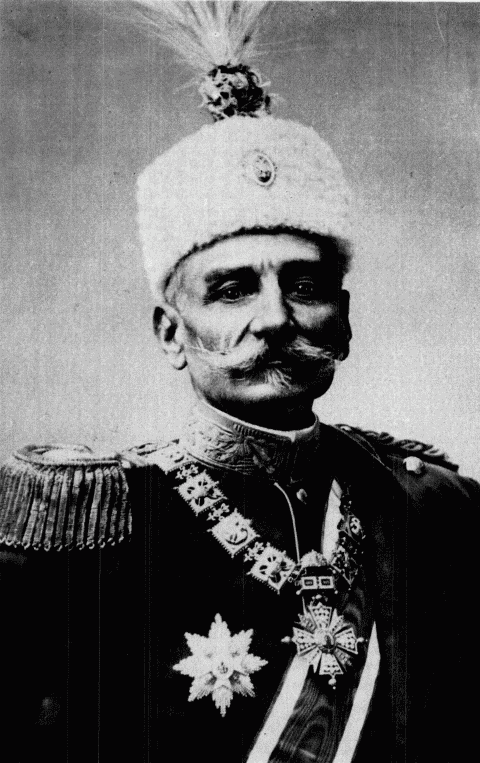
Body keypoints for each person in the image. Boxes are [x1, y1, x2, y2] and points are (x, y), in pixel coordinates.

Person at [0, 3, 478, 762]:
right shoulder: (86, 533)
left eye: (305, 285)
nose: (277, 317)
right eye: (231, 290)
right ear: (171, 332)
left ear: (344, 319)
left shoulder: (439, 510)